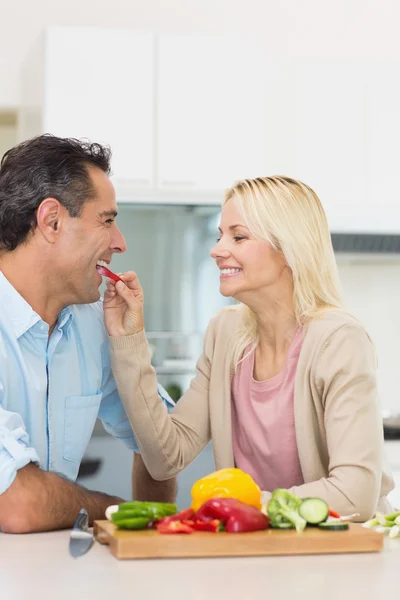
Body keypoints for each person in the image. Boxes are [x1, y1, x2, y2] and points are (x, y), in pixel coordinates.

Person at [104, 175, 394, 521]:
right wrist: (129, 340)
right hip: (259, 547)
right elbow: (166, 455)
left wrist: (242, 504)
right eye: (219, 235)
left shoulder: (338, 340)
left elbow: (354, 495)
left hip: (344, 556)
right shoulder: (225, 333)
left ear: (289, 248)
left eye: (238, 236)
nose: (216, 250)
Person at [0, 135, 176, 534]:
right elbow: (18, 504)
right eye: (107, 221)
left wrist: (131, 350)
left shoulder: (91, 324)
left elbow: (161, 441)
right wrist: (117, 510)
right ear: (52, 221)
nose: (120, 243)